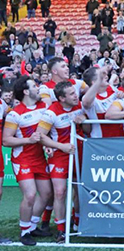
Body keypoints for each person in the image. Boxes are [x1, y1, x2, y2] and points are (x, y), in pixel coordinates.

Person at [36, 81, 89, 243]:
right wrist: (61, 146)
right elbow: (40, 136)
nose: (76, 96)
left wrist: (83, 121)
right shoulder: (51, 112)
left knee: (79, 190)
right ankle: (60, 229)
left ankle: (78, 223)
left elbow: (88, 131)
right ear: (61, 98)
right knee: (59, 192)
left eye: (75, 92)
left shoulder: (80, 106)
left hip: (80, 153)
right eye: (71, 94)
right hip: (60, 155)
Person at [3, 76, 53, 246]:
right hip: (23, 159)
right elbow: (6, 140)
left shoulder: (44, 107)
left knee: (46, 194)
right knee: (30, 195)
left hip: (40, 158)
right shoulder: (15, 114)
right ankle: (24, 232)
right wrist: (28, 140)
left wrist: (49, 145)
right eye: (34, 86)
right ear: (26, 91)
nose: (38, 88)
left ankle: (32, 226)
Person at [82, 67, 124, 138]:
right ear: (94, 82)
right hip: (100, 140)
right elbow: (86, 102)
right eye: (101, 76)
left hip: (120, 137)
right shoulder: (90, 98)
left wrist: (123, 94)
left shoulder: (112, 89)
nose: (106, 76)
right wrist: (99, 80)